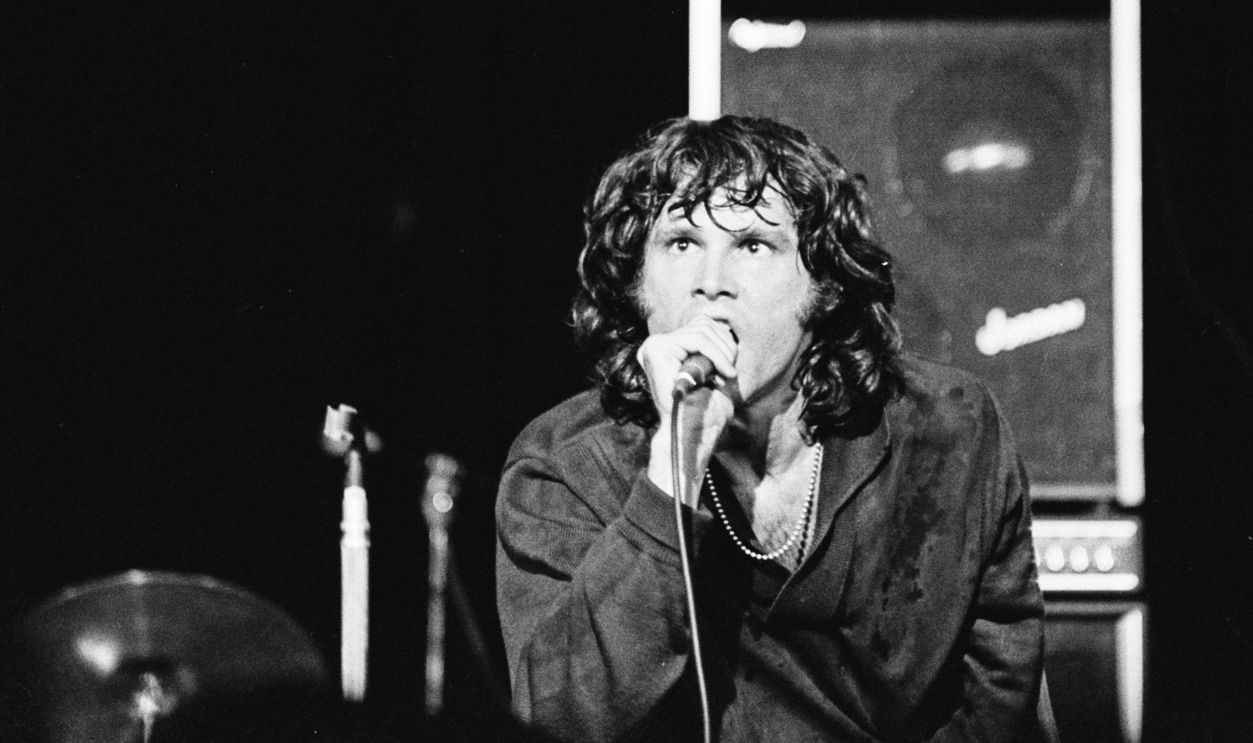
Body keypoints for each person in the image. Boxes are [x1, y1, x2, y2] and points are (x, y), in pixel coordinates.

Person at [495, 115, 1046, 742]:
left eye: (753, 245)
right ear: (637, 283)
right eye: (680, 244)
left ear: (824, 286)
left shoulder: (948, 427)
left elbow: (1003, 699)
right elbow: (561, 721)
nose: (712, 283)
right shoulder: (564, 465)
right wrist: (670, 477)